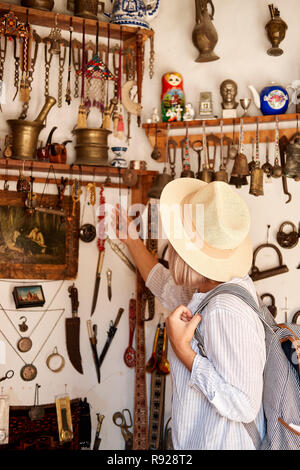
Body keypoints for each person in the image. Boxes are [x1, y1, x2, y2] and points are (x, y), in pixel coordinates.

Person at [113, 179, 266, 450]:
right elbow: (165, 287)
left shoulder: (225, 309)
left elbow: (244, 405)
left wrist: (184, 351)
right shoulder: (214, 287)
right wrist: (131, 240)